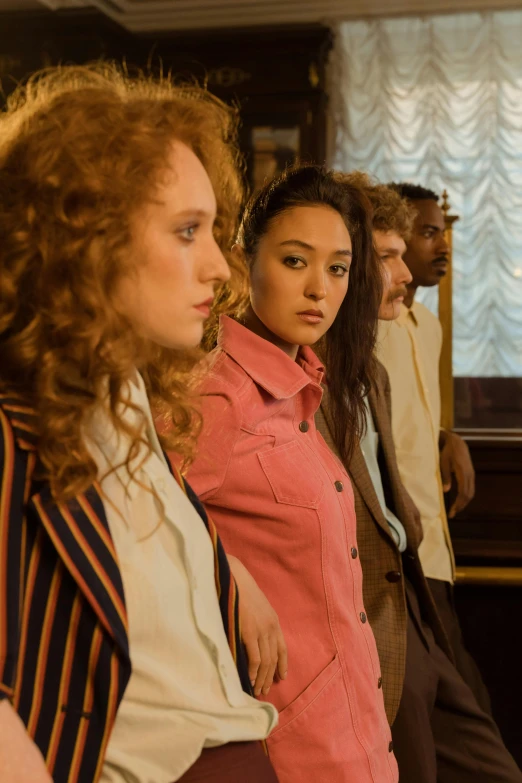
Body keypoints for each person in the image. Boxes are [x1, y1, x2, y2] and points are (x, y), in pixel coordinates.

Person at [0, 64, 278, 783]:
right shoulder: (13, 425)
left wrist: (229, 566)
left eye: (214, 229)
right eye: (188, 231)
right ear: (81, 239)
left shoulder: (129, 396)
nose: (220, 266)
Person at [184, 164, 398, 783]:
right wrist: (235, 574)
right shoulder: (216, 395)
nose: (320, 291)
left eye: (337, 268)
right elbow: (142, 530)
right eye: (295, 261)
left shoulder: (309, 388)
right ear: (246, 261)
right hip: (288, 743)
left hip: (356, 730)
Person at [316, 174, 522, 783]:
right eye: (393, 253)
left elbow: (403, 431)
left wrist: (445, 436)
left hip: (420, 566)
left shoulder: (395, 351)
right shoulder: (332, 357)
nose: (409, 268)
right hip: (373, 592)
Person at [375, 182, 492, 714]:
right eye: (426, 234)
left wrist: (449, 436)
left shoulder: (430, 326)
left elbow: (415, 421)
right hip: (396, 556)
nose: (441, 247)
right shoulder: (367, 329)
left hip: (436, 552)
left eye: (441, 234)